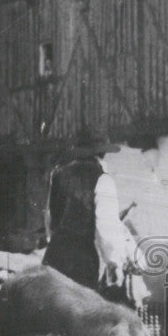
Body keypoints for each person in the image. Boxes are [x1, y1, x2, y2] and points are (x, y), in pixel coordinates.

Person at [43, 126, 132, 297]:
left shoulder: (58, 174)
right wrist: (114, 262)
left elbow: (49, 217)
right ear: (103, 153)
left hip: (53, 257)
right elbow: (107, 227)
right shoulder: (103, 179)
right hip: (81, 261)